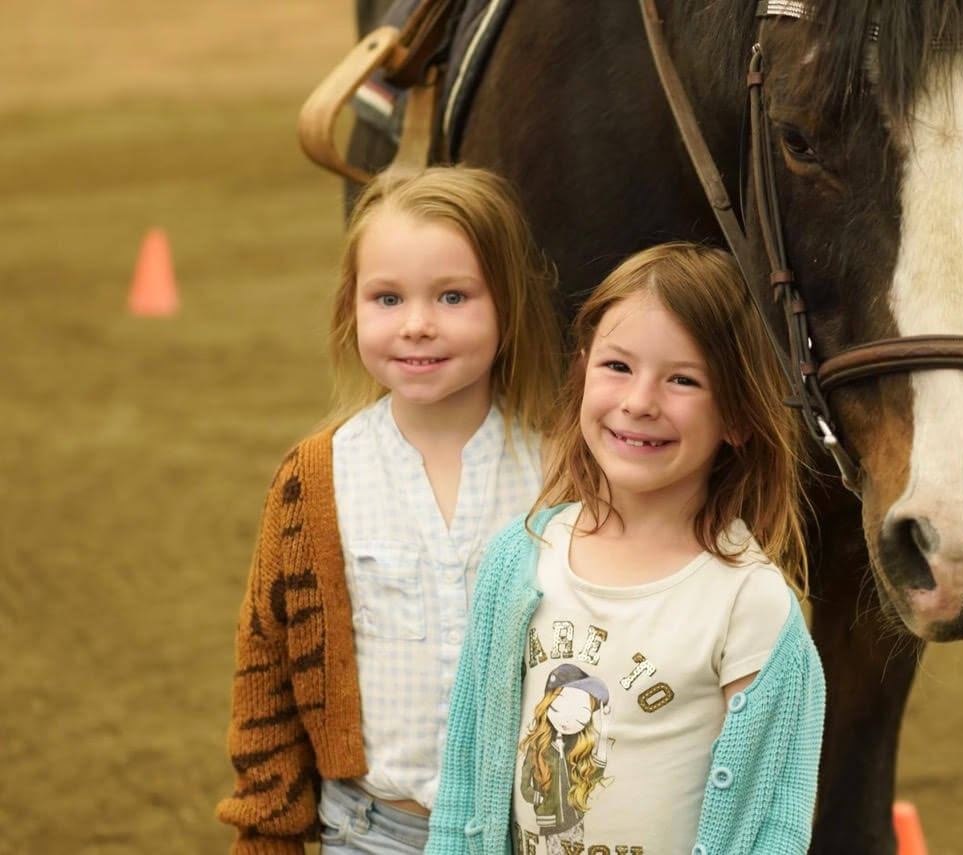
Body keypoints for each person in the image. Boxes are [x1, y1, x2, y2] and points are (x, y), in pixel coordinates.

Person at [427, 243, 826, 855]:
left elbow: (771, 824)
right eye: (617, 366)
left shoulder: (751, 604)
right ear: (582, 369)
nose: (640, 401)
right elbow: (466, 780)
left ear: (739, 416)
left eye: (683, 379)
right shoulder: (520, 557)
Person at [215, 165, 562, 855]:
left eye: (454, 295)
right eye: (387, 298)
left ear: (508, 304)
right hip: (371, 833)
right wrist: (267, 836)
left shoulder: (560, 473)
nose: (418, 325)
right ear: (351, 308)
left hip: (535, 834)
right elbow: (268, 673)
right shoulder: (315, 480)